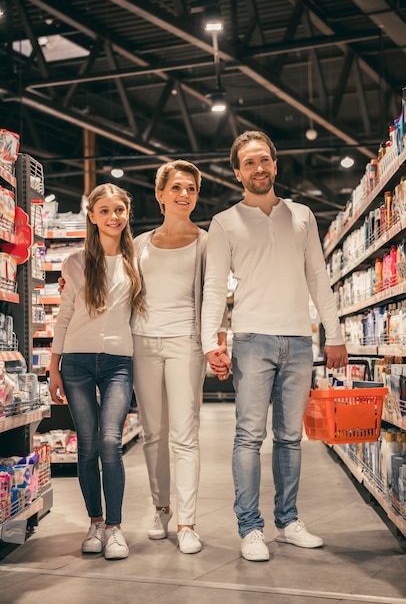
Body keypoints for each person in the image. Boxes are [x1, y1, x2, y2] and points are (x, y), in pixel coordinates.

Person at [201, 131, 348, 562]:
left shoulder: (301, 215)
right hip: (250, 340)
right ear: (237, 171)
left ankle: (287, 521)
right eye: (249, 163)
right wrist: (211, 342)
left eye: (264, 160)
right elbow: (213, 290)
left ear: (275, 164)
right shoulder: (225, 222)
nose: (258, 168)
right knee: (249, 436)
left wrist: (334, 335)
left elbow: (319, 278)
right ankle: (250, 529)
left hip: (299, 340)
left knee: (289, 437)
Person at [132, 159, 229, 554]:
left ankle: (188, 521)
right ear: (160, 194)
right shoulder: (139, 244)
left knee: (185, 435)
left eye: (191, 188)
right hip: (142, 342)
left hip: (185, 344)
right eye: (176, 188)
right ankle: (161, 508)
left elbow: (217, 299)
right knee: (153, 433)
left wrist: (217, 346)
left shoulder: (208, 242)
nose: (184, 194)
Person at [49, 183, 144, 561]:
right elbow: (65, 315)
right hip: (77, 361)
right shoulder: (73, 262)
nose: (113, 217)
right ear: (92, 216)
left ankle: (115, 528)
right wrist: (53, 367)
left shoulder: (137, 260)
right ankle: (95, 523)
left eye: (119, 210)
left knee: (109, 441)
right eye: (104, 211)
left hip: (120, 362)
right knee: (86, 446)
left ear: (127, 214)